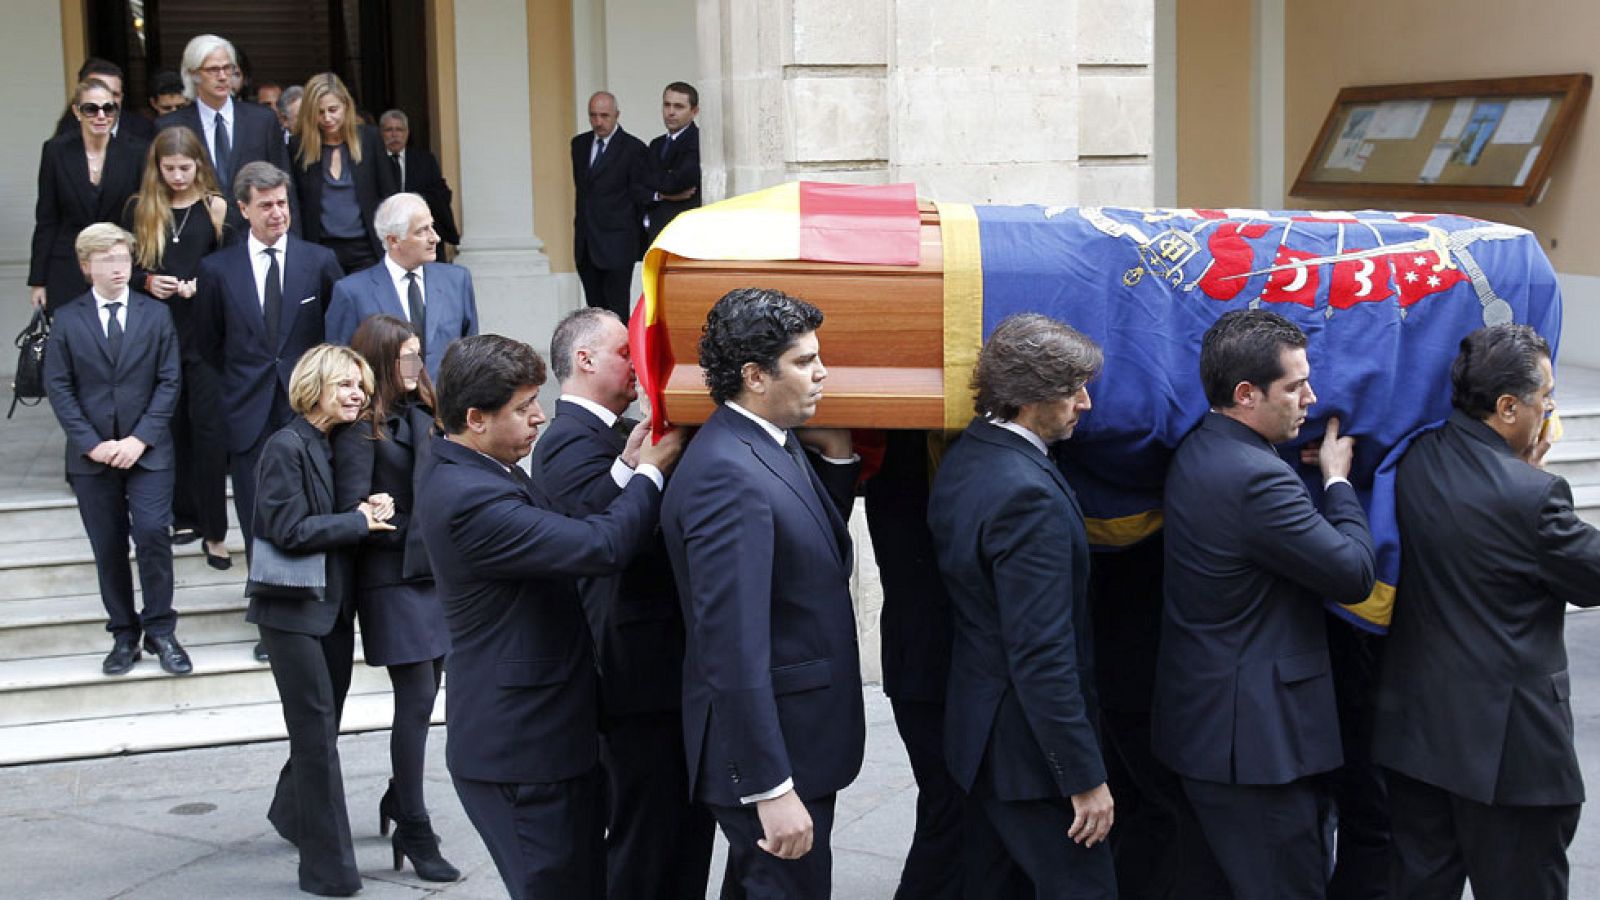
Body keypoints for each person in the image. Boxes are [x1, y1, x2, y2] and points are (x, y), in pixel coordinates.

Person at [415, 334, 684, 898]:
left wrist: (626, 467)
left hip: (548, 741)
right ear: (475, 418)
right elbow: (599, 548)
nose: (540, 417)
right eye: (523, 407)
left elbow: (568, 527)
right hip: (521, 753)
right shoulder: (469, 495)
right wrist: (651, 472)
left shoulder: (486, 467)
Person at [1151, 309, 1376, 900]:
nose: (1312, 397)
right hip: (1257, 750)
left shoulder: (1202, 447)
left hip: (1207, 733)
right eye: (1296, 386)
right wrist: (1336, 482)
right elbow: (1353, 573)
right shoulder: (1257, 478)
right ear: (1246, 395)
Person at [1372, 324, 1600, 900]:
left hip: (1417, 737)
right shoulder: (1532, 496)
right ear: (1506, 408)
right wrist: (1536, 476)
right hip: (1511, 759)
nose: (1549, 410)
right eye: (1544, 400)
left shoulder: (1415, 458)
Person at [661, 287, 864, 898]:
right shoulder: (728, 472)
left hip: (800, 740)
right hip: (772, 761)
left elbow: (805, 542)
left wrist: (837, 455)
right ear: (754, 375)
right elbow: (731, 646)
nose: (822, 372)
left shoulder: (767, 440)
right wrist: (770, 789)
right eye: (803, 362)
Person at [529, 307, 716, 900]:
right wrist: (639, 468)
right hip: (632, 672)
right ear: (583, 361)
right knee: (644, 835)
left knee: (682, 829)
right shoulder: (565, 440)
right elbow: (600, 534)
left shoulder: (615, 431)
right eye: (622, 353)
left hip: (661, 664)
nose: (637, 365)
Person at [927, 313, 1116, 899]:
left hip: (984, 738)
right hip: (1027, 756)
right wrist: (1082, 778)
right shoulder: (1026, 494)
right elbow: (1041, 651)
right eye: (1071, 390)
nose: (1085, 403)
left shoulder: (970, 454)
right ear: (1028, 396)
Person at [249, 343, 394, 897]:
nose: (358, 393)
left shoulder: (324, 442)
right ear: (315, 388)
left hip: (327, 607)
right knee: (316, 738)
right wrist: (356, 523)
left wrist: (367, 509)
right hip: (291, 612)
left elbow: (326, 518)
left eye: (361, 385)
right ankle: (329, 870)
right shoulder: (286, 445)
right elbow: (286, 529)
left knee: (321, 727)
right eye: (346, 385)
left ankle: (290, 813)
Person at [332, 315, 458, 883]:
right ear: (382, 362)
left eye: (417, 356)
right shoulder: (363, 428)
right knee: (415, 702)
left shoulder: (428, 412)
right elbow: (356, 507)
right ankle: (413, 821)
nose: (414, 366)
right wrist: (401, 519)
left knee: (429, 696)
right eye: (404, 358)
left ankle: (394, 795)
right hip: (391, 578)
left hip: (432, 574)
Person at [43, 223, 185, 676]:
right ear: (87, 267)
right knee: (107, 546)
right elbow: (59, 387)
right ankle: (124, 635)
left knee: (151, 535)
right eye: (107, 261)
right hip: (93, 456)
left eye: (123, 259)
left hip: (148, 451)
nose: (118, 268)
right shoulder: (66, 319)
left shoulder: (154, 315)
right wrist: (93, 444)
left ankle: (161, 629)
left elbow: (169, 380)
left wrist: (138, 439)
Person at [192, 161, 342, 579]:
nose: (277, 212)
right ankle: (270, 610)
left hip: (308, 407)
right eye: (266, 205)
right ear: (243, 209)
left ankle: (313, 600)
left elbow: (337, 334)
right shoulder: (217, 270)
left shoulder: (319, 261)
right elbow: (209, 342)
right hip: (247, 409)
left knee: (312, 504)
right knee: (256, 510)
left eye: (282, 203)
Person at [123, 126, 232, 570]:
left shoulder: (215, 207)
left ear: (199, 165)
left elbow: (231, 267)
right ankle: (181, 514)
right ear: (157, 168)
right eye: (169, 169)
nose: (178, 176)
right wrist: (150, 281)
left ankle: (215, 530)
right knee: (170, 427)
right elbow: (124, 269)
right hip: (155, 332)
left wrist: (198, 285)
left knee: (208, 431)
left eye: (185, 168)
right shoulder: (139, 208)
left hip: (202, 332)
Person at [864, 429, 964, 900]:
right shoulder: (908, 474)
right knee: (949, 809)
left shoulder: (902, 470)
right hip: (929, 665)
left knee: (947, 808)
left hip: (919, 662)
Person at [324, 192, 477, 380]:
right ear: (393, 240)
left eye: (432, 227)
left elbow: (471, 354)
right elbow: (340, 364)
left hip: (445, 404)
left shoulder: (457, 280)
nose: (435, 238)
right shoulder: (352, 292)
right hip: (385, 406)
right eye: (421, 231)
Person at [157, 34, 293, 241]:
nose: (222, 76)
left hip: (254, 237)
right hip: (196, 241)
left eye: (227, 68)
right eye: (213, 69)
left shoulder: (262, 120)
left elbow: (284, 182)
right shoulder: (171, 126)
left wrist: (291, 241)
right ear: (193, 74)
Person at [29, 78, 147, 313]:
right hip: (67, 264)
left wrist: (143, 270)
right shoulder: (56, 151)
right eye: (91, 109)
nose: (101, 116)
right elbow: (47, 218)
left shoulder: (136, 151)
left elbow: (142, 216)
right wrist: (38, 281)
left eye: (108, 108)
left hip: (118, 263)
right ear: (77, 112)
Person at [291, 73, 385, 274]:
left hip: (367, 249)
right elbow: (296, 203)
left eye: (333, 110)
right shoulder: (298, 147)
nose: (327, 118)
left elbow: (388, 193)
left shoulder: (369, 139)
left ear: (346, 106)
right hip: (320, 250)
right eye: (319, 112)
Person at [571, 90, 649, 320]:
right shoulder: (579, 145)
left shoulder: (634, 149)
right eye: (593, 115)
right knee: (594, 313)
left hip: (618, 243)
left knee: (617, 311)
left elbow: (638, 197)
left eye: (604, 115)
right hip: (586, 244)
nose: (598, 122)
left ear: (617, 115)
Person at [376, 109, 461, 248]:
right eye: (388, 130)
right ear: (380, 133)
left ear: (407, 133)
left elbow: (441, 193)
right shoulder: (373, 161)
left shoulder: (424, 160)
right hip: (387, 234)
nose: (394, 134)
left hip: (420, 230)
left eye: (399, 129)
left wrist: (416, 199)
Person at [642, 81, 700, 248]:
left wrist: (655, 185)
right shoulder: (656, 144)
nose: (671, 112)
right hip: (655, 234)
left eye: (679, 107)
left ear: (694, 111)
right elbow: (638, 186)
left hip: (684, 233)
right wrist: (664, 195)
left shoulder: (698, 142)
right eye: (667, 105)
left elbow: (676, 182)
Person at [53, 58, 156, 142]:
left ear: (121, 97)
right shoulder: (62, 139)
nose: (107, 100)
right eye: (99, 92)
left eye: (114, 94)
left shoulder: (144, 131)